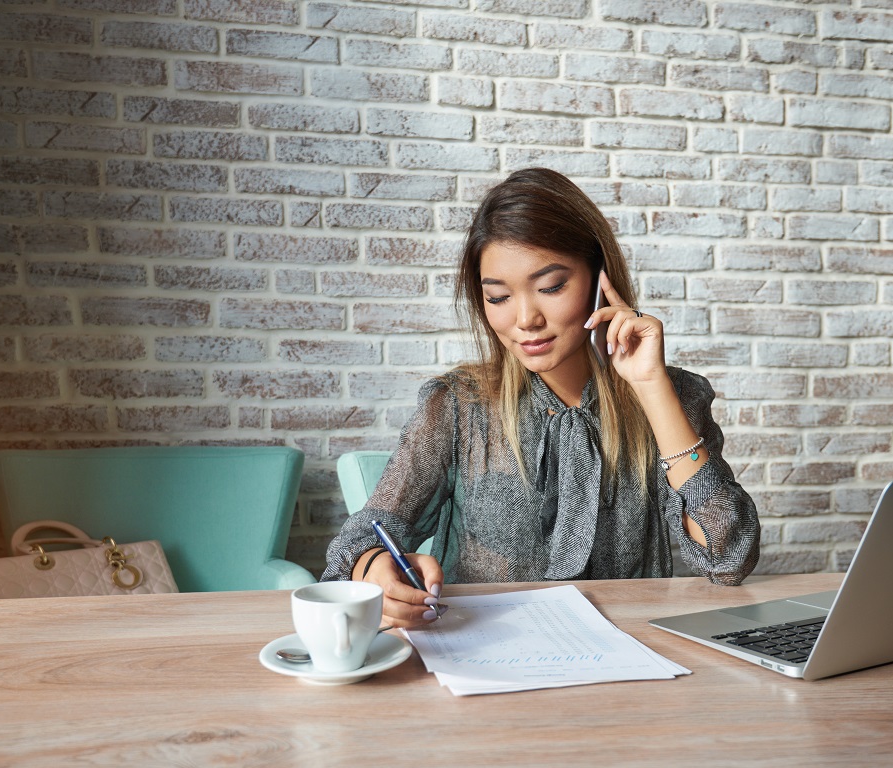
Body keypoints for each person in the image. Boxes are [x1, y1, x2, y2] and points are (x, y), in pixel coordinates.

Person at [323, 168, 760, 627]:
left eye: (551, 287)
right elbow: (361, 539)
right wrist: (374, 569)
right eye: (498, 297)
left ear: (599, 278)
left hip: (628, 664)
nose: (526, 318)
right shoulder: (457, 405)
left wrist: (651, 387)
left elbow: (728, 558)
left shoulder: (673, 397)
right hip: (483, 657)